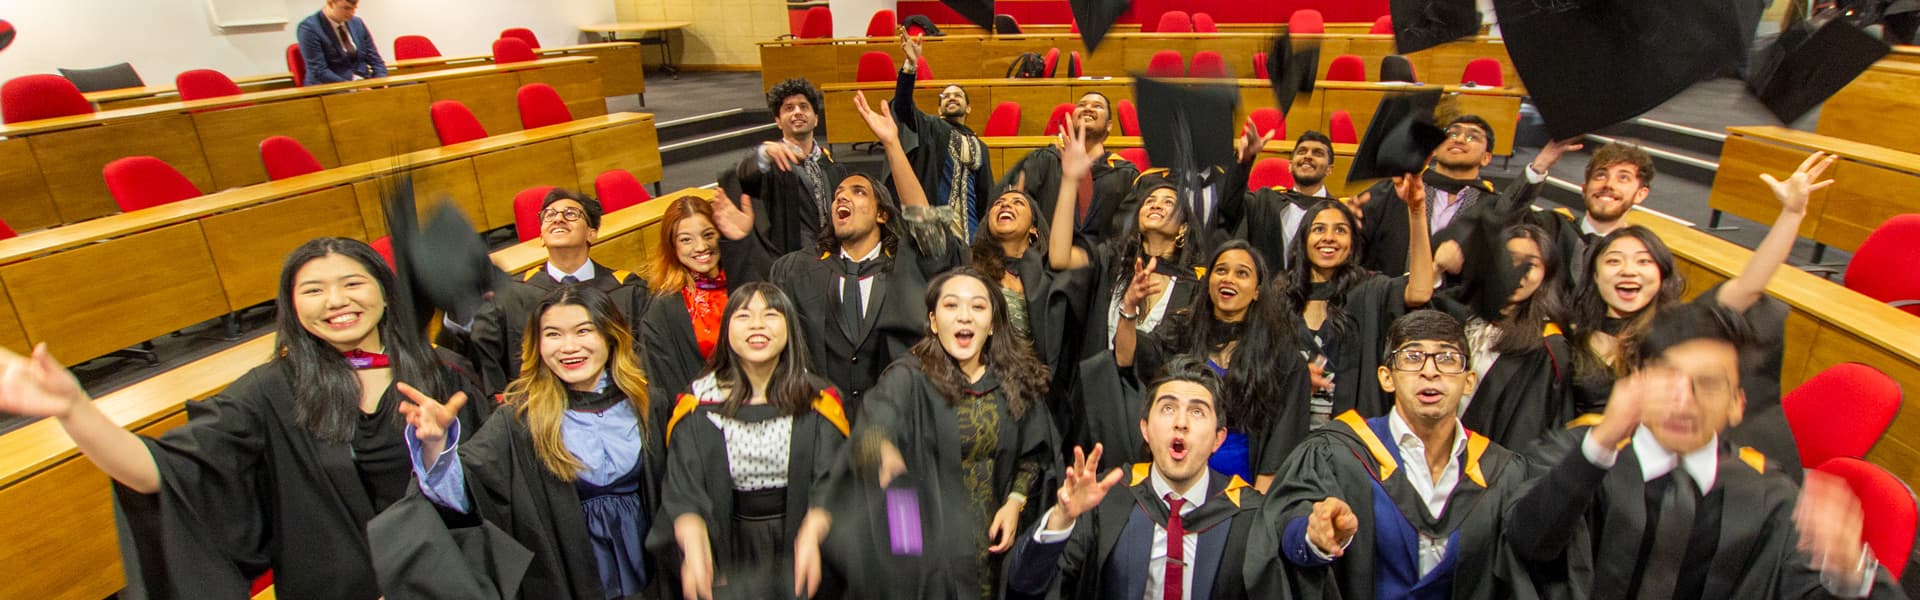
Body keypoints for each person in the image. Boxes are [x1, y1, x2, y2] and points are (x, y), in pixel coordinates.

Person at [0, 237, 486, 598]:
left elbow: (501, 497)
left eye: (353, 283)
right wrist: (74, 410)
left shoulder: (445, 375)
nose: (337, 301)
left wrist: (439, 452)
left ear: (385, 293)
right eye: (314, 290)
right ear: (293, 308)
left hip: (448, 582)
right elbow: (160, 474)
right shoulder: (269, 391)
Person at [1505, 302, 1896, 599]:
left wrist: (1848, 574)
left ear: (1736, 404)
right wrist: (1599, 447)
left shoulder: (1768, 498)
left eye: (1707, 385)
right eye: (1668, 379)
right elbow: (1525, 544)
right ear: (1636, 382)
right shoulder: (1577, 455)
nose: (1683, 401)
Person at [794, 269, 1057, 600]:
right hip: (929, 552)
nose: (964, 316)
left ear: (992, 324)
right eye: (951, 306)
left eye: (978, 307)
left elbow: (1035, 453)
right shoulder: (909, 379)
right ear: (933, 322)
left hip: (993, 550)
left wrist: (1015, 502)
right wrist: (883, 450)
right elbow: (871, 427)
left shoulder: (1013, 382)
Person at [389, 284, 663, 599]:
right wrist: (436, 446)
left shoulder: (647, 404)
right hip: (569, 575)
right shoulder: (520, 420)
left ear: (611, 336)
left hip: (649, 566)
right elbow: (470, 494)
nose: (568, 347)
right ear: (538, 344)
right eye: (553, 334)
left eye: (583, 331)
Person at [712, 91, 964, 419]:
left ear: (882, 214)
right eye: (838, 194)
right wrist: (740, 242)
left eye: (858, 192)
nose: (841, 198)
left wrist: (892, 145)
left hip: (898, 422)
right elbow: (755, 307)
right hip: (821, 424)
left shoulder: (909, 264)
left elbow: (925, 220)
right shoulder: (798, 269)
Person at [1259, 310, 1539, 599]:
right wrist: (1312, 536)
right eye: (1413, 357)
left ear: (1468, 381)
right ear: (1386, 377)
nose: (1430, 371)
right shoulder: (1339, 453)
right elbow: (1285, 527)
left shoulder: (1501, 471)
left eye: (1446, 358)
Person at [1565, 152, 1832, 415]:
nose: (1629, 271)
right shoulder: (1571, 329)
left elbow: (1749, 286)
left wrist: (1792, 213)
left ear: (1662, 275)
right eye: (1614, 261)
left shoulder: (1678, 326)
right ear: (1595, 276)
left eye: (1643, 262)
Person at [1005, 357, 1281, 600]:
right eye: (1168, 408)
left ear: (1218, 439)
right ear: (1145, 429)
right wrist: (1061, 519)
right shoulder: (1109, 500)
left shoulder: (1247, 514)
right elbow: (1025, 584)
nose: (1181, 422)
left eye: (1197, 411)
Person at [650, 282, 850, 600]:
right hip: (726, 542)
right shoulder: (697, 401)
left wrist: (814, 529)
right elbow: (682, 486)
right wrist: (692, 538)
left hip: (803, 537)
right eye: (743, 315)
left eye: (771, 314)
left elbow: (835, 478)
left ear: (790, 328)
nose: (757, 324)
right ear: (727, 328)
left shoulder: (819, 400)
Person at [1048, 124, 1206, 470]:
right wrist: (1070, 180)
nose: (1156, 205)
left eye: (1169, 202)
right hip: (1091, 407)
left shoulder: (1194, 286)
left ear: (1183, 230)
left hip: (1152, 415)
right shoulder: (1111, 261)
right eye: (1150, 200)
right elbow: (1059, 256)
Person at [1117, 240, 1313, 491]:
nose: (1228, 279)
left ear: (1256, 291)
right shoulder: (1179, 332)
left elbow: (1283, 444)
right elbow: (1125, 358)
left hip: (1243, 489)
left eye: (1242, 273)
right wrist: (1130, 306)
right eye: (1221, 270)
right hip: (1176, 475)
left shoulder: (1282, 356)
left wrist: (1256, 508)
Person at [441, 188, 650, 396]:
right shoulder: (511, 294)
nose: (558, 219)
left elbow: (646, 360)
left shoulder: (627, 289)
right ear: (541, 235)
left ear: (592, 233)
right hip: (536, 411)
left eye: (570, 214)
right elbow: (481, 357)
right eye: (549, 215)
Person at [1282, 176, 1436, 426]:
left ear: (1352, 242)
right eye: (1319, 229)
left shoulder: (1369, 290)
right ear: (1303, 240)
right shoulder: (1280, 296)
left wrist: (1416, 211)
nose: (1329, 238)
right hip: (1287, 434)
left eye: (1340, 230)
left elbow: (1419, 292)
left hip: (1349, 438)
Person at [1432, 222, 1574, 447]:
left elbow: (1526, 435)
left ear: (1546, 274)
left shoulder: (1547, 349)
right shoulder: (1455, 314)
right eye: (1509, 259)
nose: (1518, 271)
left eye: (1531, 264)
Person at [1352, 115, 1547, 276]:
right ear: (1435, 149)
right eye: (1451, 134)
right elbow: (1356, 240)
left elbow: (1514, 208)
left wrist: (1540, 165)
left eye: (1472, 137)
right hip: (1388, 302)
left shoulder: (1490, 204)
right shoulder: (1396, 190)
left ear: (1486, 157)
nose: (1459, 139)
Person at [641, 195, 750, 420]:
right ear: (672, 246)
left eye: (708, 235)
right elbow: (668, 385)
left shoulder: (746, 283)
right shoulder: (663, 308)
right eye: (686, 240)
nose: (701, 247)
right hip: (706, 420)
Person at [999, 91, 1142, 239]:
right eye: (1081, 105)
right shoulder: (1044, 160)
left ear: (1109, 125)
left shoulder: (1125, 174)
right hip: (1045, 257)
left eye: (1097, 106)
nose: (1087, 108)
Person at [893, 32, 991, 240]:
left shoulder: (980, 146)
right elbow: (902, 107)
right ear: (939, 109)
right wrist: (911, 65)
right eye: (945, 96)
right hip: (936, 232)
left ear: (969, 107)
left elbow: (986, 194)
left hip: (971, 234)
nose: (951, 98)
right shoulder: (932, 127)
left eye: (958, 95)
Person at [739, 77, 846, 256]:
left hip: (832, 257)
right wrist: (764, 153)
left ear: (816, 119)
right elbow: (743, 175)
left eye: (804, 107)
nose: (797, 112)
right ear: (778, 121)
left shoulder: (832, 167)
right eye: (789, 108)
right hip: (789, 259)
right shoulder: (770, 162)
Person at [1222, 129, 1338, 270]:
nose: (1308, 156)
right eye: (1302, 151)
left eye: (1317, 153)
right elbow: (1229, 204)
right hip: (1268, 289)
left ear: (1329, 169)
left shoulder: (1338, 212)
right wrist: (1243, 163)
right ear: (1290, 165)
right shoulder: (1265, 201)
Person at [295, 0, 387, 85]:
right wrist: (352, 86)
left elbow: (375, 59)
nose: (351, 13)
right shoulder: (309, 28)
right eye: (346, 8)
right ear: (331, 3)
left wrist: (381, 80)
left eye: (354, 8)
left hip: (362, 83)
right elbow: (319, 70)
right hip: (329, 88)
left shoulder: (357, 23)